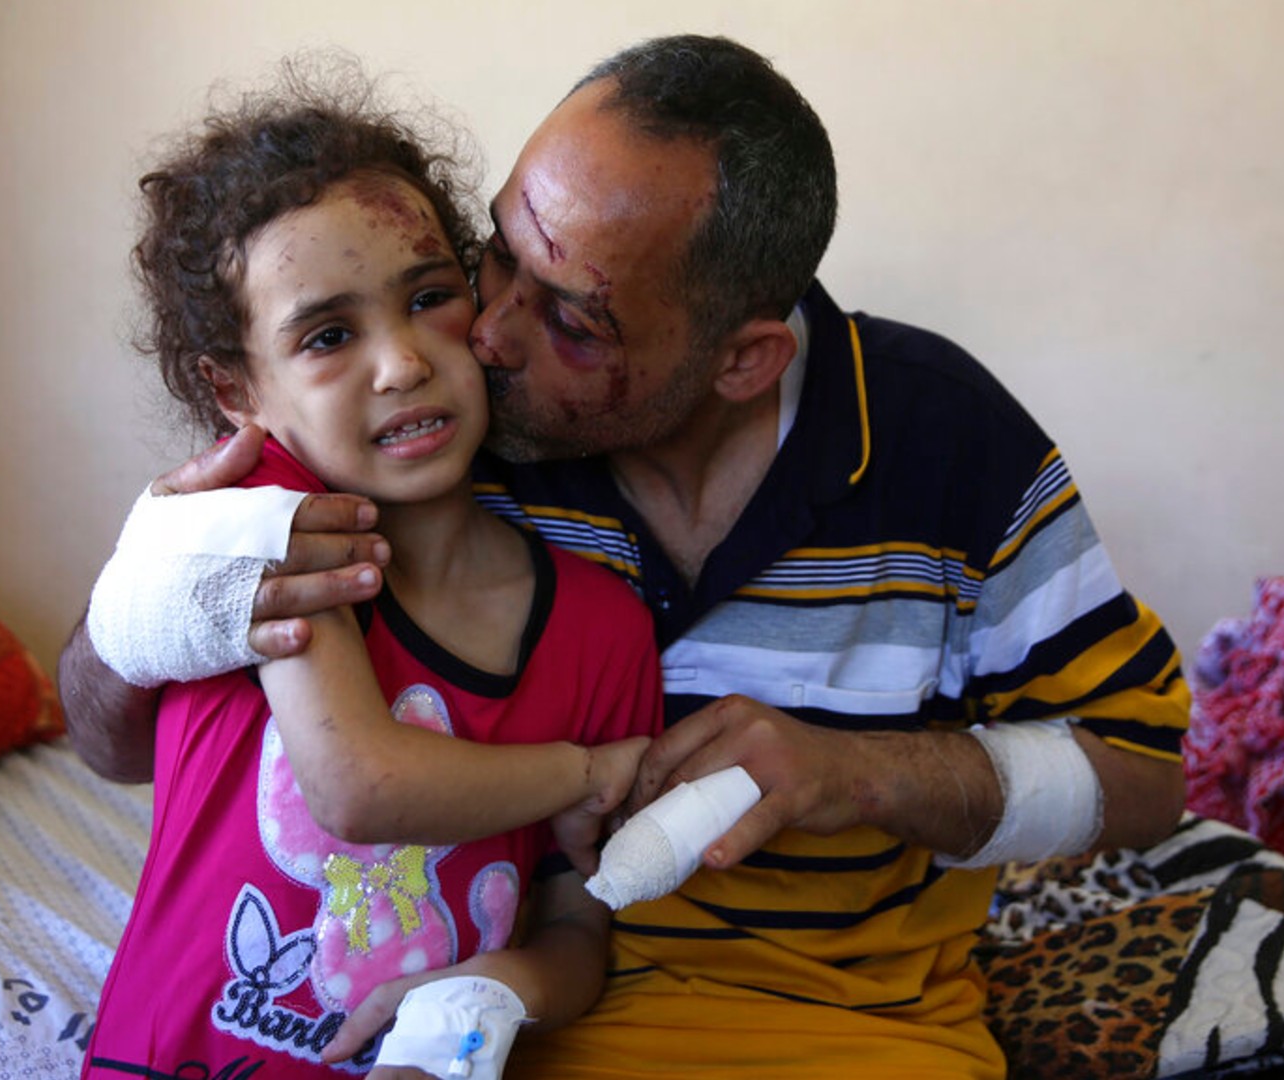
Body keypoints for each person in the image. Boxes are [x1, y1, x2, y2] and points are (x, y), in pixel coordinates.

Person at [61, 35, 1192, 1079]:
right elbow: (125, 736)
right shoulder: (435, 441)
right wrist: (145, 612)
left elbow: (1152, 779)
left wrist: (862, 774)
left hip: (847, 1027)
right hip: (549, 1023)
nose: (482, 337)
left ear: (744, 359)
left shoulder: (946, 443)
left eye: (572, 318)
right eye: (494, 254)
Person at [78, 62, 664, 1080]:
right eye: (328, 335)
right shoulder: (252, 540)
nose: (400, 363)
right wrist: (588, 771)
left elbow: (580, 924)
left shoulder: (603, 630)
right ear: (235, 389)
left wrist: (500, 990)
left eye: (430, 297)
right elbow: (357, 785)